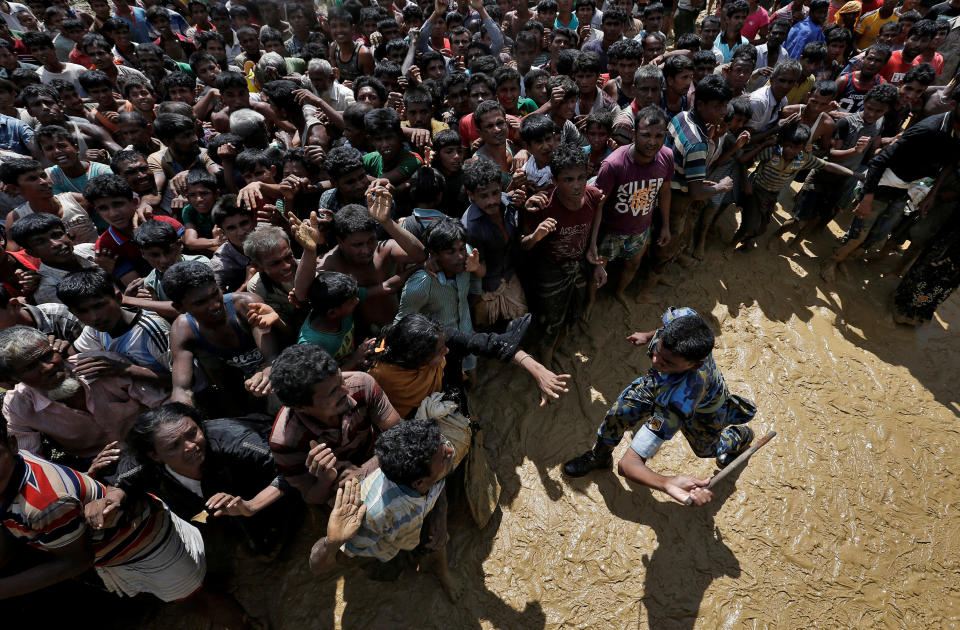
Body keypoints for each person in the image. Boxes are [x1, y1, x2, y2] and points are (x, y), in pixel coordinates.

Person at [561, 306, 757, 504]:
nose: (655, 360)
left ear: (694, 365)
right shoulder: (686, 318)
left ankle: (741, 436)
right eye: (657, 351)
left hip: (704, 410)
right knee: (619, 413)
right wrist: (648, 336)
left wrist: (666, 483)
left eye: (667, 362)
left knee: (706, 449)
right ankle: (600, 457)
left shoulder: (679, 400)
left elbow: (628, 465)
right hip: (659, 383)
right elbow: (667, 328)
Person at [117, 402, 297, 555]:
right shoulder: (140, 465)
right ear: (155, 455)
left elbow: (293, 468)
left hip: (267, 476)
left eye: (192, 433)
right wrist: (112, 497)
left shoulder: (236, 442)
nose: (190, 446)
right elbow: (119, 483)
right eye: (174, 446)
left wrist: (252, 506)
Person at [0, 325, 167, 464]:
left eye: (48, 355)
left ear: (56, 349)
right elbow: (33, 462)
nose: (48, 367)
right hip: (98, 465)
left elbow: (164, 405)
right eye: (30, 367)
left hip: (154, 443)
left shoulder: (103, 365)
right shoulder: (17, 405)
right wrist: (89, 475)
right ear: (14, 378)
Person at [521, 143, 606, 365]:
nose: (577, 185)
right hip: (550, 269)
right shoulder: (542, 205)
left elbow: (598, 209)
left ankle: (557, 347)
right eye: (568, 180)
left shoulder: (592, 195)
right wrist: (537, 236)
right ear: (555, 179)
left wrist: (594, 249)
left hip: (578, 264)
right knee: (551, 322)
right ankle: (546, 363)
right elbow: (524, 246)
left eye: (581, 177)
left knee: (573, 314)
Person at [163, 259, 282, 416]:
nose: (214, 305)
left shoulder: (246, 305)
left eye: (215, 294)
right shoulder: (183, 329)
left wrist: (266, 375)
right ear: (179, 308)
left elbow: (272, 359)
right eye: (201, 302)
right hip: (237, 390)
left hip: (275, 377)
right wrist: (182, 419)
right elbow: (182, 389)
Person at [591, 105, 673, 307]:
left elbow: (664, 191)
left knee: (633, 264)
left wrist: (665, 225)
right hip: (611, 231)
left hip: (641, 229)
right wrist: (593, 242)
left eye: (658, 136)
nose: (652, 142)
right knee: (598, 269)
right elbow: (598, 205)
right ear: (635, 134)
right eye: (646, 135)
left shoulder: (667, 157)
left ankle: (620, 292)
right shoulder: (613, 164)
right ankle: (590, 303)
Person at [733, 122, 862, 249]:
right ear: (782, 142)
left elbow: (828, 166)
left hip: (772, 196)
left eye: (796, 148)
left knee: (762, 227)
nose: (790, 150)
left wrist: (855, 175)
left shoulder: (803, 159)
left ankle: (746, 241)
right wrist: (747, 182)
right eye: (787, 146)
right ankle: (731, 245)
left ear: (803, 147)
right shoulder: (771, 152)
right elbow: (743, 162)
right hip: (757, 191)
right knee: (749, 225)